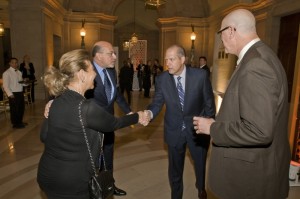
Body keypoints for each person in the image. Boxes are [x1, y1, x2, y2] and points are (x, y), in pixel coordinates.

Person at [193, 9, 291, 199]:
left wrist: (213, 128)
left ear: (231, 31)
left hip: (250, 179)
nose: (221, 40)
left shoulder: (256, 66)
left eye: (221, 34)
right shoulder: (262, 55)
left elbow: (259, 130)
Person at [37, 49, 147, 199]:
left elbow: (44, 136)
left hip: (47, 175)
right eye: (91, 70)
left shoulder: (55, 102)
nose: (95, 74)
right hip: (73, 182)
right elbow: (113, 123)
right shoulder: (85, 107)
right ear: (82, 74)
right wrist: (138, 116)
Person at [145, 44, 216, 199]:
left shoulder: (200, 76)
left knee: (200, 165)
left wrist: (210, 126)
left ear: (182, 59)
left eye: (171, 59)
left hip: (197, 130)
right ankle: (176, 196)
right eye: (166, 60)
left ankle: (201, 189)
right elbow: (157, 103)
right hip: (174, 130)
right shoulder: (162, 79)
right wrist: (149, 113)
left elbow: (209, 103)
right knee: (175, 170)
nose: (167, 63)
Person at [84, 41, 131, 196]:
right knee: (92, 159)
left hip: (109, 124)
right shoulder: (85, 71)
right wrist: (52, 102)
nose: (115, 56)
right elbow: (70, 92)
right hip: (91, 127)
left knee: (108, 155)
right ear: (98, 56)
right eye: (110, 53)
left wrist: (129, 112)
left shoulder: (111, 72)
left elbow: (116, 94)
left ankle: (109, 185)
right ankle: (91, 189)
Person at [2, 57, 27, 129]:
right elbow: (5, 86)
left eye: (16, 62)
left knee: (21, 108)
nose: (15, 64)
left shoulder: (19, 72)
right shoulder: (6, 73)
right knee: (14, 109)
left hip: (20, 92)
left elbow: (21, 83)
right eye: (13, 62)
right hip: (13, 93)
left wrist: (26, 83)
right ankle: (15, 124)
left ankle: (20, 121)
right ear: (10, 63)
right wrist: (10, 94)